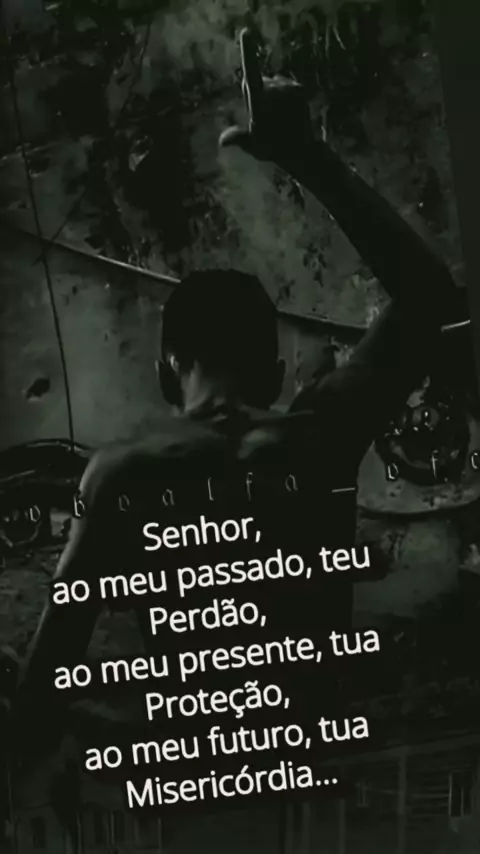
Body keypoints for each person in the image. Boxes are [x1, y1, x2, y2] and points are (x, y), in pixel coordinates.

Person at [13, 28, 460, 765]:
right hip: (310, 762)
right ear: (276, 374)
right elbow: (429, 301)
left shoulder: (121, 476)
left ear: (168, 371)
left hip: (190, 778)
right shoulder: (319, 437)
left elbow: (45, 684)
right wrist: (308, 157)